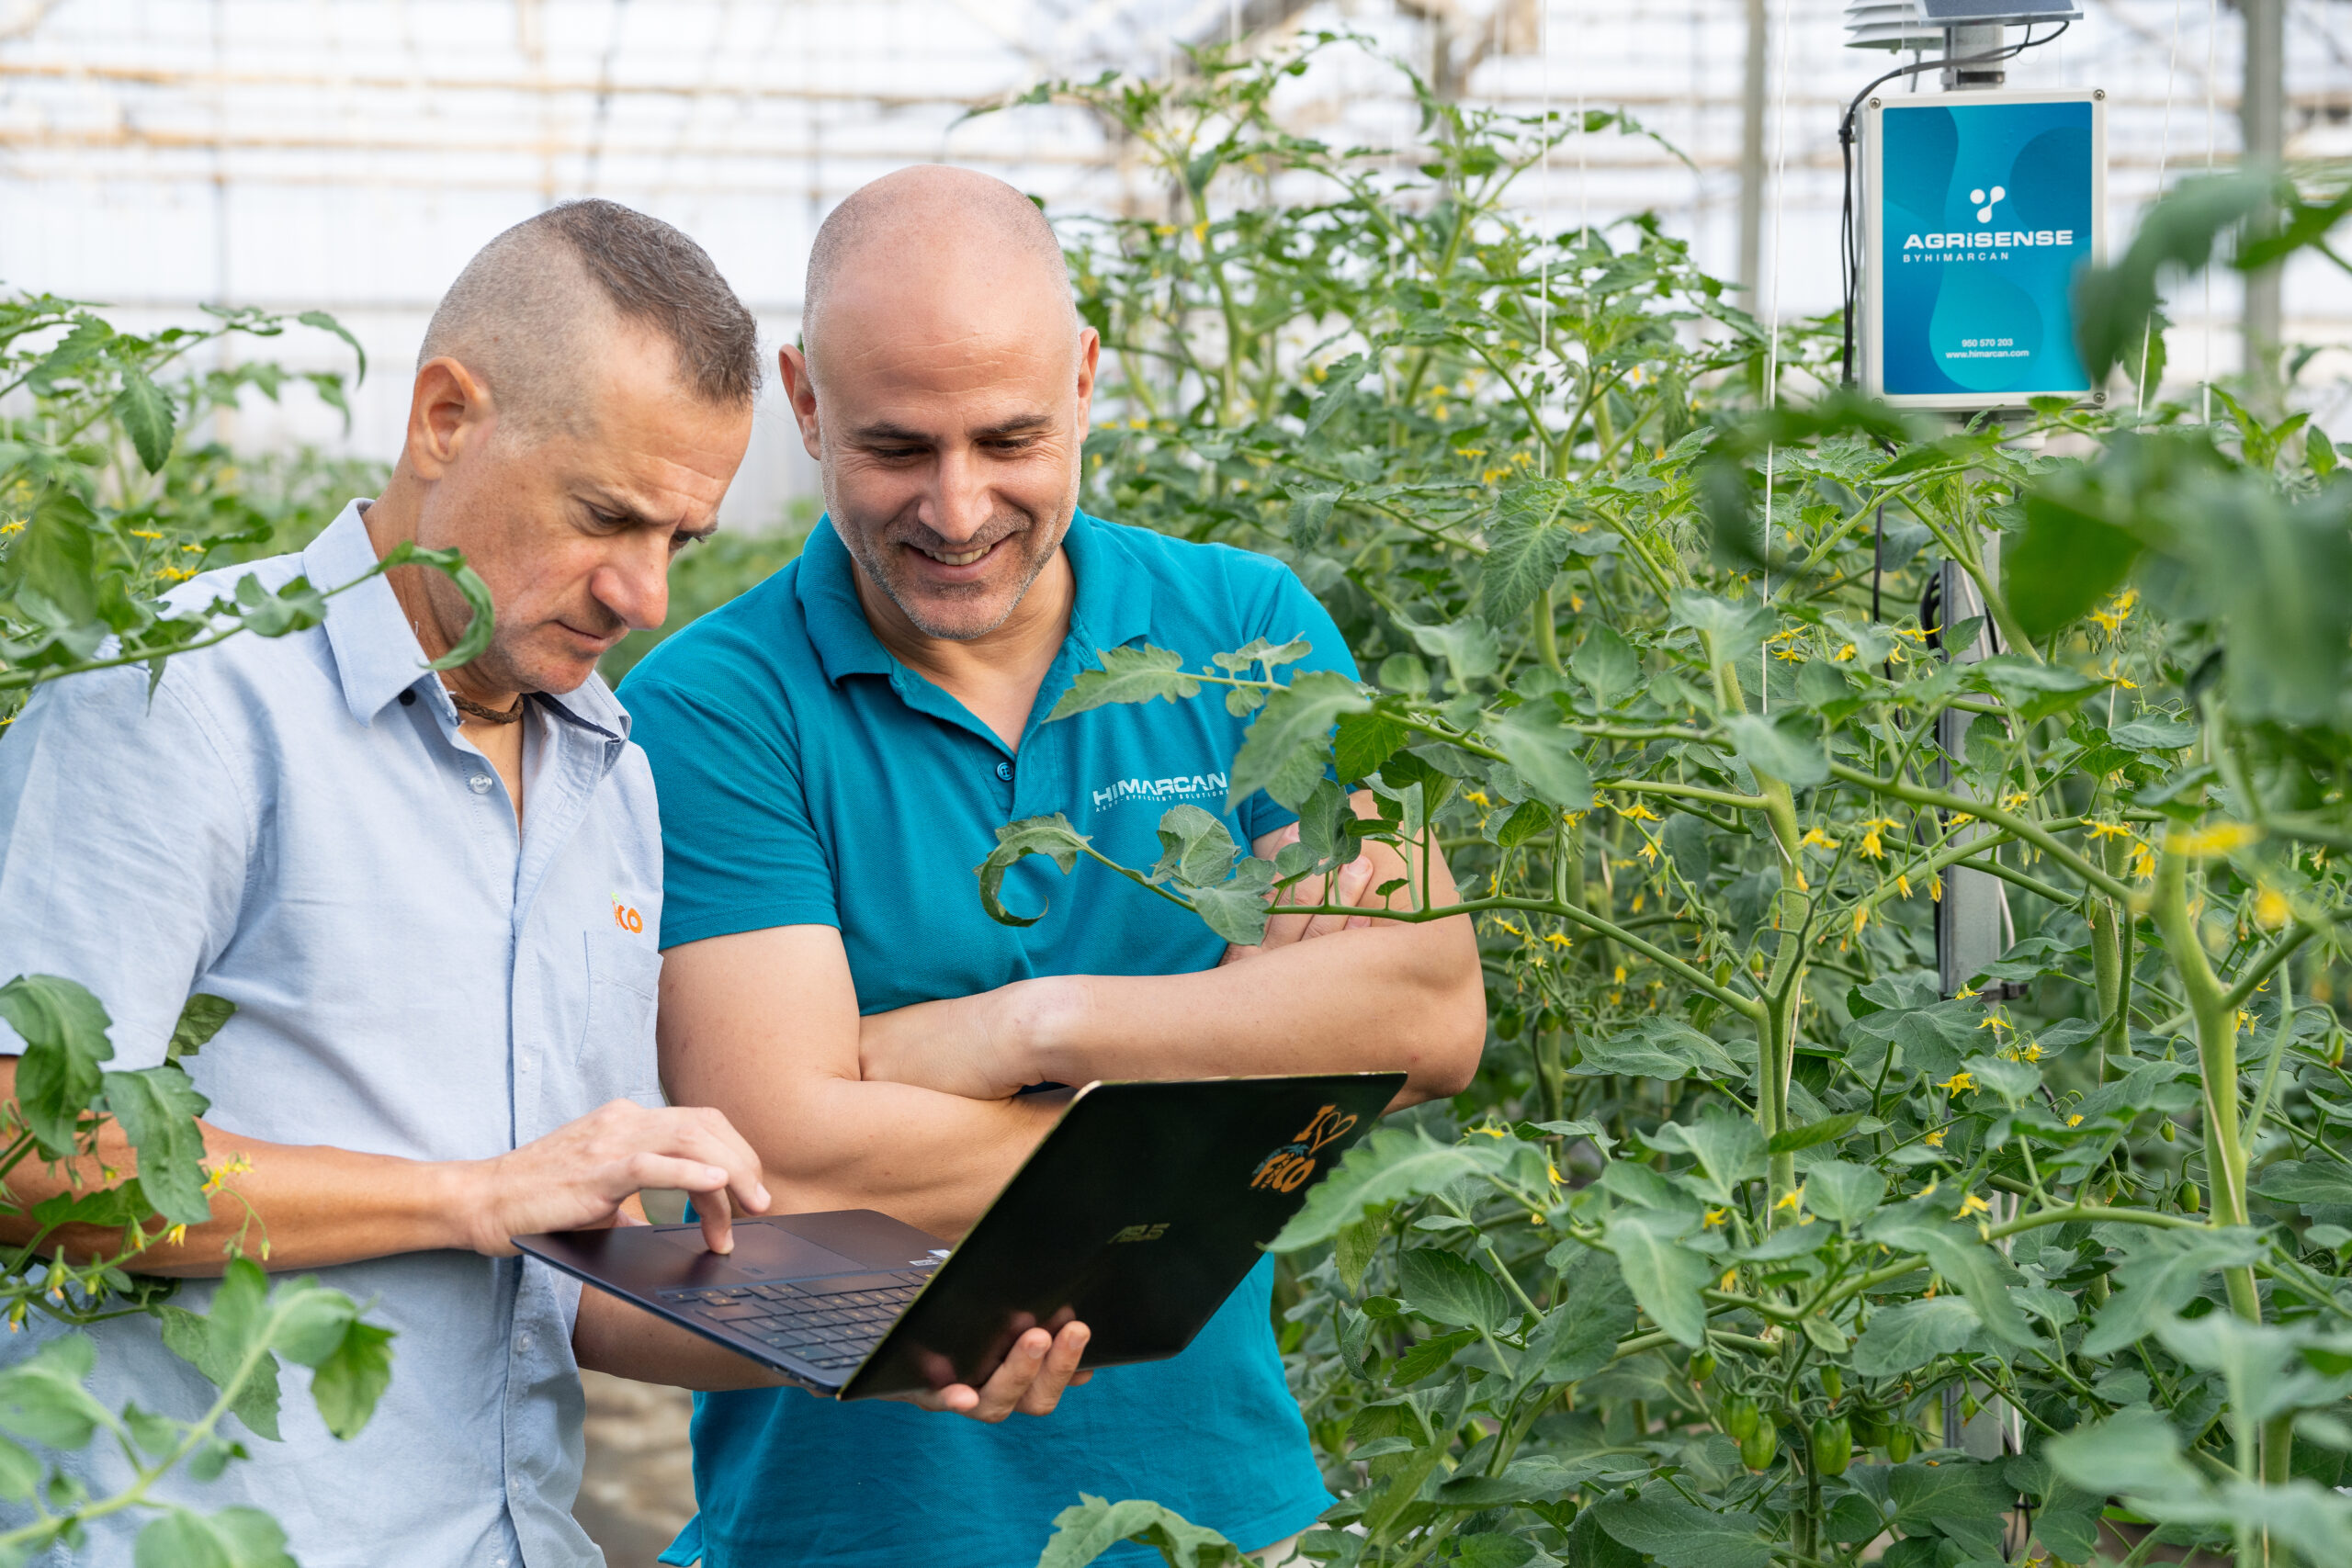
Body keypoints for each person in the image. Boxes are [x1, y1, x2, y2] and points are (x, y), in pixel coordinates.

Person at [0, 199, 1084, 1568]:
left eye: (680, 542)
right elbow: (29, 1152)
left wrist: (895, 1327)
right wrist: (473, 1193)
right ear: (446, 418)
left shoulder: (607, 775)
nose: (644, 596)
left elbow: (577, 1273)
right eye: (606, 518)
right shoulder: (189, 705)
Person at [622, 165, 1487, 1568]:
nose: (958, 510)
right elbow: (785, 1146)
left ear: (1084, 381)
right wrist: (1220, 1133)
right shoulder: (715, 710)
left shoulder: (1243, 631)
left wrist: (1026, 1030)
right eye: (898, 449)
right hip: (845, 1531)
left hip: (1218, 1515)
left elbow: (1428, 1013)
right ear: (803, 402)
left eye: (1009, 438)